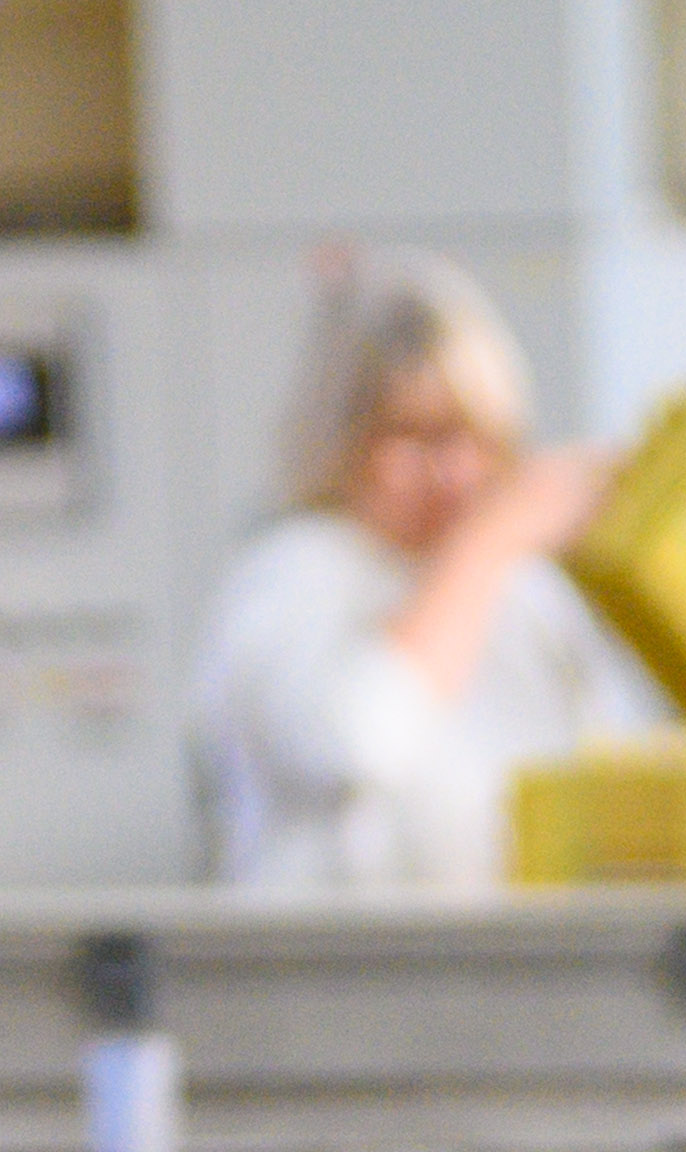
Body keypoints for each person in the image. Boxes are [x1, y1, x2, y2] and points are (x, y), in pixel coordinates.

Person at [191, 250, 650, 892]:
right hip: (341, 978)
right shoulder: (293, 572)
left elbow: (609, 764)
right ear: (339, 436)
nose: (452, 473)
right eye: (415, 436)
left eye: (475, 438)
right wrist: (489, 542)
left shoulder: (528, 593)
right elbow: (351, 739)